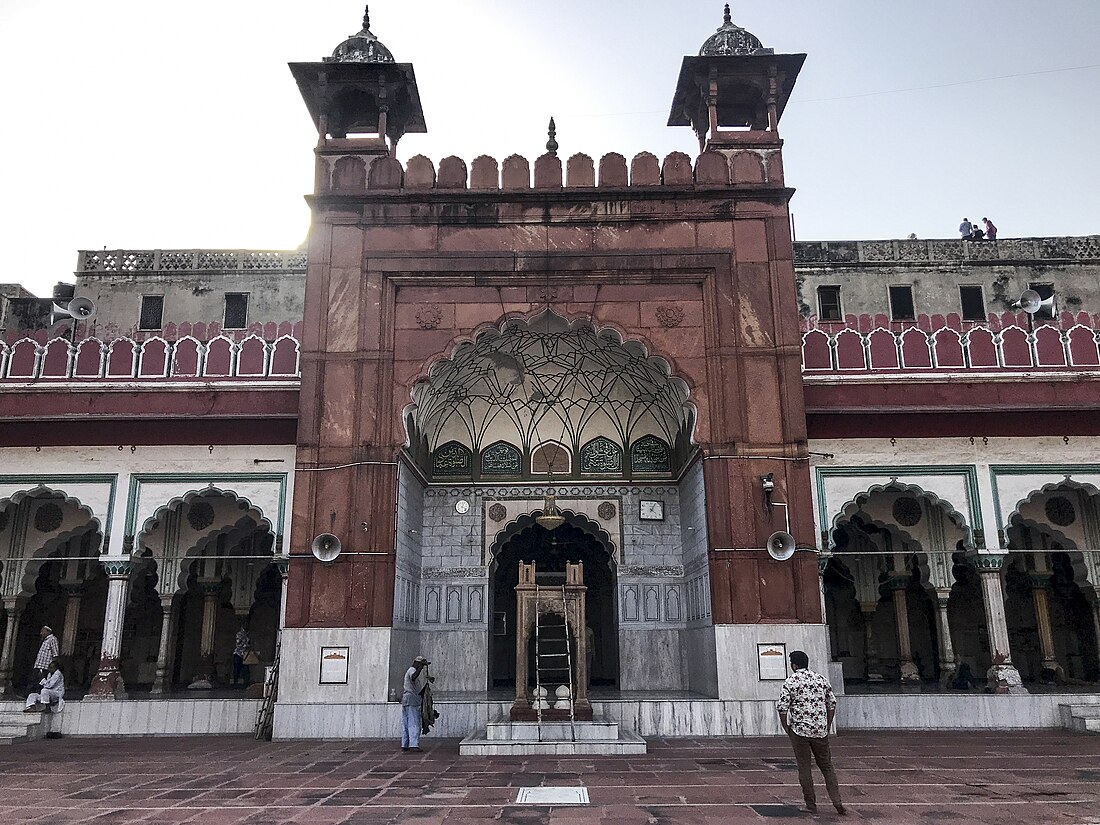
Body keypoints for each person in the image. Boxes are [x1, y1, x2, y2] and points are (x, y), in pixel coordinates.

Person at [776, 650, 847, 816]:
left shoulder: (791, 681)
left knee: (804, 767)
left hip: (800, 731)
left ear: (794, 665)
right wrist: (827, 725)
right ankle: (837, 802)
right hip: (820, 730)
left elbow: (782, 707)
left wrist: (786, 727)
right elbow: (832, 703)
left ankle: (811, 804)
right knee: (827, 766)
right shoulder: (820, 679)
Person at [401, 655, 433, 752]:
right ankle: (414, 745)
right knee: (414, 722)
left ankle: (405, 744)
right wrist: (420, 667)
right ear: (418, 664)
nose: (422, 668)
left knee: (406, 723)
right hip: (411, 700)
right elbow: (413, 678)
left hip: (408, 700)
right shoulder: (412, 670)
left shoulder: (411, 670)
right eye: (421, 665)